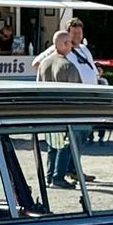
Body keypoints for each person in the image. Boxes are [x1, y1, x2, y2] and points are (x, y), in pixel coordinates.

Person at [37, 30, 82, 185]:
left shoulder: (44, 64)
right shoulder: (68, 66)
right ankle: (58, 177)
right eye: (69, 42)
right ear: (64, 44)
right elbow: (76, 93)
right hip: (64, 112)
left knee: (52, 144)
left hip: (47, 111)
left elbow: (38, 88)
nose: (72, 45)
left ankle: (49, 176)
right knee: (66, 144)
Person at [66, 18, 101, 85]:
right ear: (67, 34)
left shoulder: (84, 49)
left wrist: (97, 72)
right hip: (75, 88)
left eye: (79, 33)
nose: (77, 35)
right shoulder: (63, 49)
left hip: (91, 88)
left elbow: (93, 68)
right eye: (74, 33)